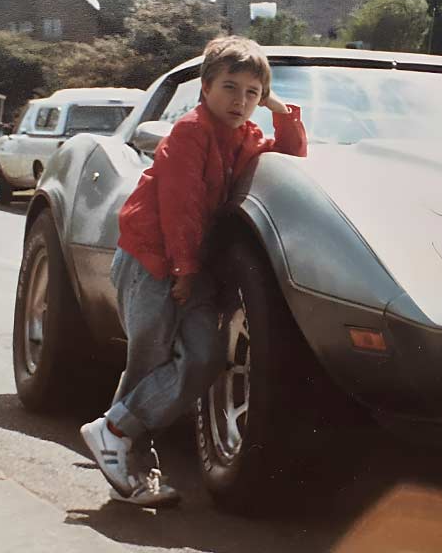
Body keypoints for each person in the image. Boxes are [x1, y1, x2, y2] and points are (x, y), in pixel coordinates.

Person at [81, 35, 307, 507]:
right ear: (204, 88)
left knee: (204, 357)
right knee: (149, 361)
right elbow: (179, 206)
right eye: (229, 87)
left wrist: (280, 109)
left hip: (192, 266)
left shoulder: (245, 138)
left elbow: (290, 156)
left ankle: (113, 430)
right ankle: (133, 474)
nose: (240, 101)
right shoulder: (189, 131)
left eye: (251, 92)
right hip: (154, 259)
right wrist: (183, 269)